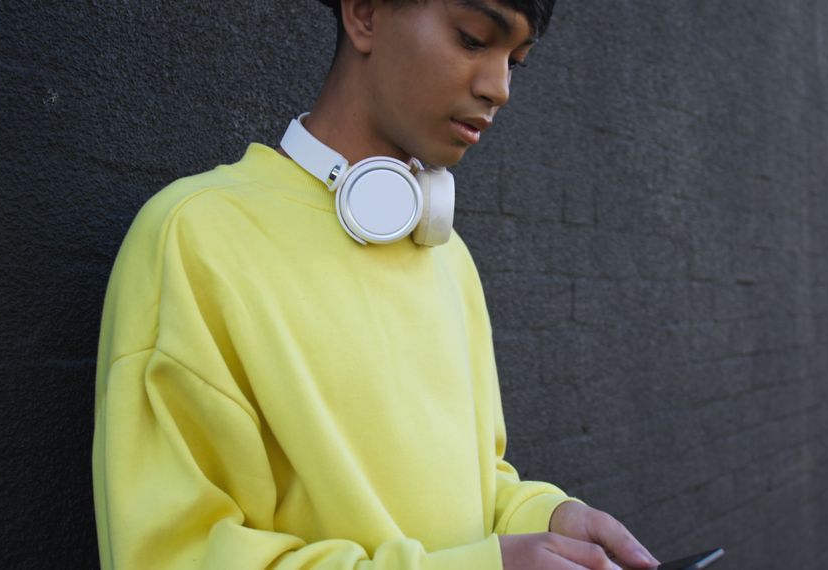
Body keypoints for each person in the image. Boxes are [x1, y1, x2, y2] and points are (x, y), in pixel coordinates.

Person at [91, 1, 660, 568]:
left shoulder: (447, 257)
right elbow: (174, 556)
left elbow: (473, 486)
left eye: (517, 61)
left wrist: (544, 518)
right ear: (364, 15)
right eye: (472, 38)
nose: (499, 87)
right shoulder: (195, 237)